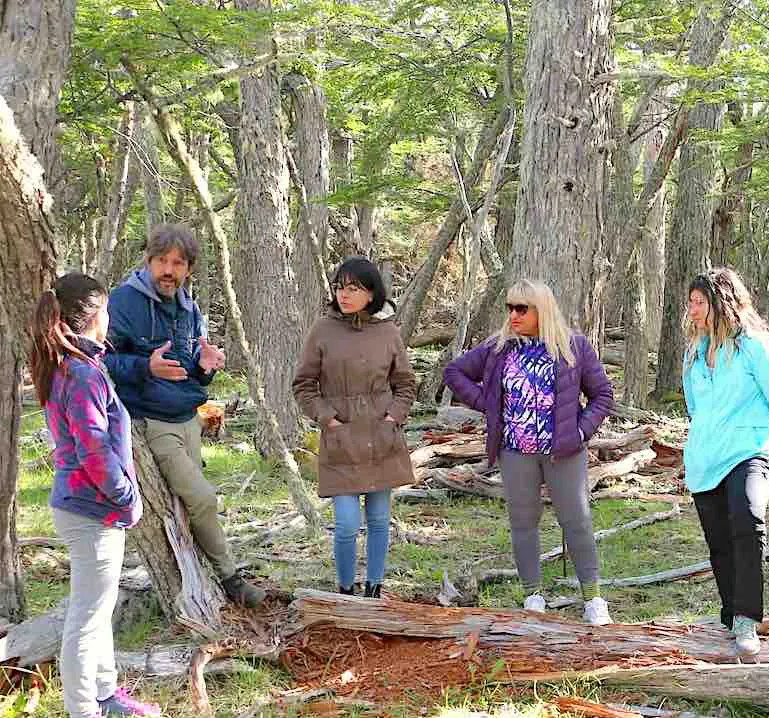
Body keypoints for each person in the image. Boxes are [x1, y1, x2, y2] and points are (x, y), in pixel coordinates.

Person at [31, 274, 162, 718]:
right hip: (91, 509)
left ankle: (105, 695)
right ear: (92, 316)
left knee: (98, 609)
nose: (110, 317)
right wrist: (127, 499)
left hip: (90, 507)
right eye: (106, 309)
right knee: (86, 615)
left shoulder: (73, 366)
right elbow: (94, 451)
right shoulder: (81, 373)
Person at [103, 224, 264, 606]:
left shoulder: (189, 309)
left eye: (178, 263)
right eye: (162, 261)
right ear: (149, 260)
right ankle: (230, 578)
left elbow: (190, 368)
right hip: (151, 420)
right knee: (204, 499)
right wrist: (146, 367)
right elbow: (104, 360)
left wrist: (206, 366)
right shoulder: (123, 302)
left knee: (190, 506)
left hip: (187, 418)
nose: (169, 270)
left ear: (188, 268)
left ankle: (197, 573)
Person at [443, 279, 614, 625]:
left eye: (522, 308)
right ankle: (532, 595)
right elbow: (454, 372)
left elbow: (602, 396)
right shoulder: (500, 348)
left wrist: (580, 431)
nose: (514, 315)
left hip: (563, 452)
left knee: (576, 521)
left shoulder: (573, 346)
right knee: (523, 523)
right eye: (510, 308)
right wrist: (490, 406)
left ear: (542, 310)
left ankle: (593, 599)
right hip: (515, 451)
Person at [681, 268, 769, 657]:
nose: (693, 310)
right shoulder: (694, 354)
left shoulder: (755, 347)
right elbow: (695, 407)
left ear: (722, 303)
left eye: (700, 302)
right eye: (692, 302)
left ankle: (748, 619)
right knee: (719, 542)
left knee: (747, 519)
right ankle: (730, 615)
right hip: (706, 456)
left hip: (751, 449)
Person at [293, 257, 416, 597]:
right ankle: (346, 590)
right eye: (339, 287)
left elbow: (405, 383)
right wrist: (327, 419)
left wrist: (394, 418)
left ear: (371, 292)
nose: (343, 295)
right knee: (346, 525)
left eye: (353, 288)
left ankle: (374, 588)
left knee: (378, 521)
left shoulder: (388, 331)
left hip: (381, 437)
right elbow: (303, 384)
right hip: (341, 440)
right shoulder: (322, 330)